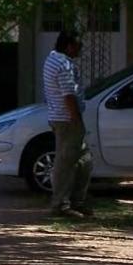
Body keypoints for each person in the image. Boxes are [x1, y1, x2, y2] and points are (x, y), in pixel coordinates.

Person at [42, 30, 93, 219]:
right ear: (69, 46)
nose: (80, 50)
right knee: (65, 163)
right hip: (67, 119)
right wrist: (75, 116)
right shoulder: (63, 64)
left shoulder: (52, 60)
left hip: (62, 117)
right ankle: (60, 205)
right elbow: (68, 94)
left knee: (84, 161)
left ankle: (77, 201)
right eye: (78, 46)